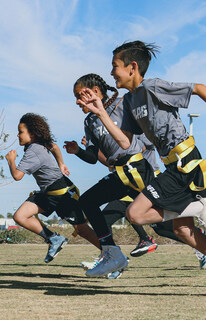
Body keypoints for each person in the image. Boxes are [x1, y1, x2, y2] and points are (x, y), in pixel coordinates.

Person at [77, 41, 206, 299]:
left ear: (132, 67)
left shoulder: (151, 87)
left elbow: (199, 88)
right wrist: (101, 112)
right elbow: (125, 142)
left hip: (186, 162)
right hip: (173, 165)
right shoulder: (129, 101)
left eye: (115, 67)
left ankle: (201, 207)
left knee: (136, 214)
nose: (112, 73)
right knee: (183, 230)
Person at [67, 73, 161, 277]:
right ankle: (112, 254)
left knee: (163, 225)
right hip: (121, 173)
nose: (76, 101)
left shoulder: (122, 104)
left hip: (139, 169)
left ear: (95, 92)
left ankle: (205, 243)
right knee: (88, 201)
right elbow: (93, 157)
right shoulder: (89, 121)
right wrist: (78, 151)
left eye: (79, 95)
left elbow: (148, 136)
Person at [6, 113, 100, 264]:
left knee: (82, 229)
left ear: (33, 133)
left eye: (21, 132)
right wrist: (61, 163)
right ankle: (54, 238)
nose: (18, 135)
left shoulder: (33, 151)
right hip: (48, 192)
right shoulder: (39, 145)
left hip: (61, 192)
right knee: (20, 216)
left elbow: (17, 175)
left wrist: (11, 161)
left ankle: (110, 253)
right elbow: (55, 147)